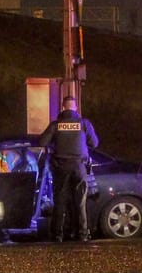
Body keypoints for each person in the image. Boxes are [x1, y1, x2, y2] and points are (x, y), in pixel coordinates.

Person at [38, 95, 100, 242]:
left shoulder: (56, 125)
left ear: (63, 107)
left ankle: (58, 235)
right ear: (76, 108)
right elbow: (94, 143)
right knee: (80, 203)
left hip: (61, 168)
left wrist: (55, 142)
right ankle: (83, 234)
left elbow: (42, 141)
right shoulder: (84, 123)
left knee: (60, 202)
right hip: (79, 167)